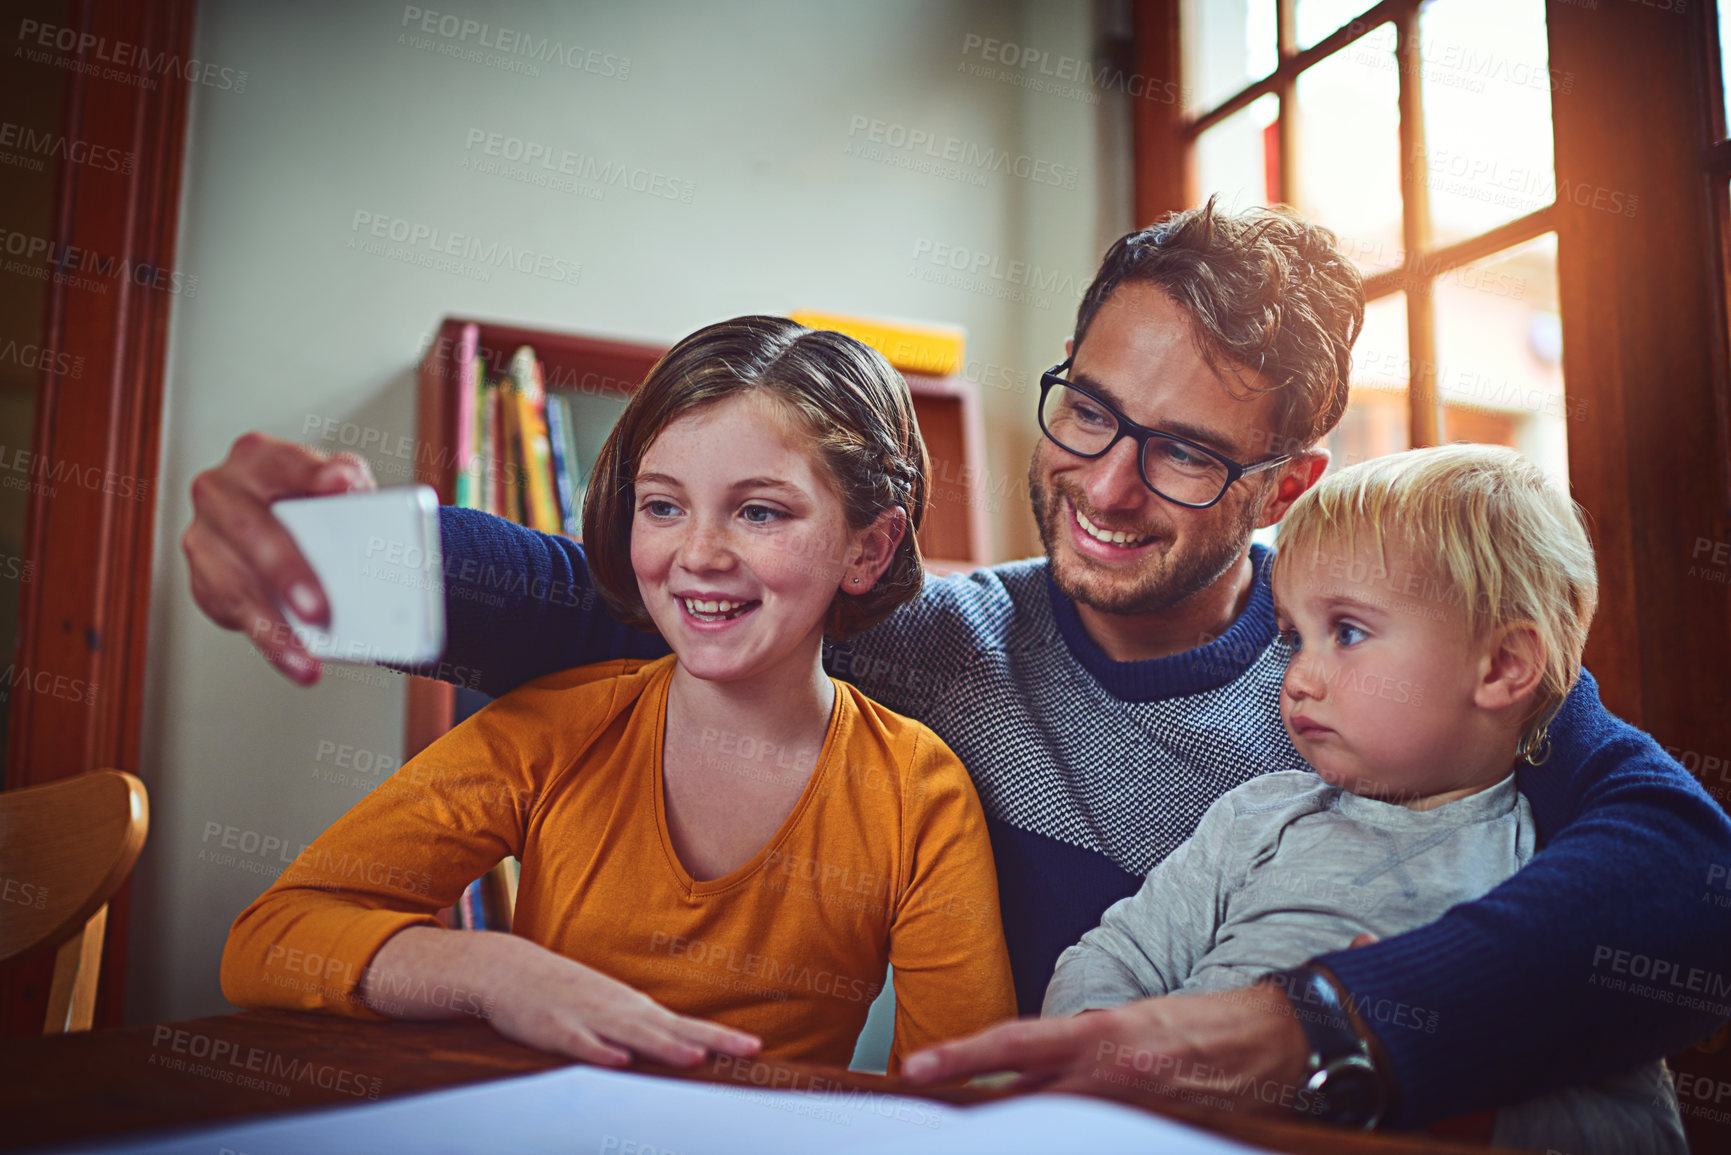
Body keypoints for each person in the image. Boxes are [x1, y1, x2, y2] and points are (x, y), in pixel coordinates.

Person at [187, 200, 1731, 1129]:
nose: (1108, 487)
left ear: (1288, 482)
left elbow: (1686, 880)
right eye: (1089, 413)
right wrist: (334, 556)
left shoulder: (1395, 675)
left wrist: (1302, 1026)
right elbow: (625, 599)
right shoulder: (937, 642)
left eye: (1187, 451)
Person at [219, 317, 1016, 1072]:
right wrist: (492, 972)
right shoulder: (554, 729)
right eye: (662, 505)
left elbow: (959, 1090)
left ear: (868, 546)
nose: (697, 553)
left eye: (760, 510)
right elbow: (270, 938)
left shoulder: (918, 793)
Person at [1043, 444, 1686, 1151]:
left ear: (1503, 665)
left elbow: (1637, 1129)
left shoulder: (1557, 874)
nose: (1297, 678)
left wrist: (1458, 1115)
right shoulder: (1255, 815)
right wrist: (1103, 1058)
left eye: (1346, 632)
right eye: (1292, 636)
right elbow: (1112, 954)